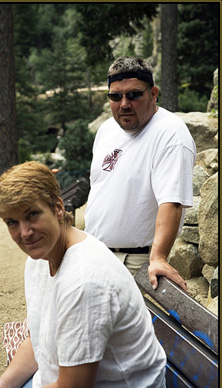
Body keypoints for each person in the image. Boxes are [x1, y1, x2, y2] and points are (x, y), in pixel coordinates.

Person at [0, 161, 167, 388]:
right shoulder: (40, 259)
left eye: (33, 214)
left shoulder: (85, 281)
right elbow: (38, 340)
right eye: (12, 222)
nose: (24, 232)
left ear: (58, 208)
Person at [84, 56, 196, 291]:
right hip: (94, 255)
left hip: (135, 263)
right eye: (115, 96)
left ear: (153, 94)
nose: (124, 103)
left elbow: (172, 202)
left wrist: (158, 258)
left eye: (134, 95)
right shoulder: (106, 129)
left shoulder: (170, 134)